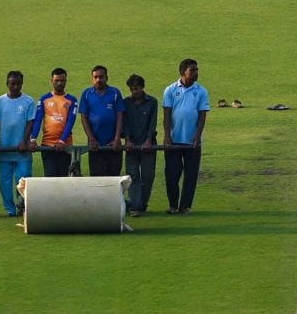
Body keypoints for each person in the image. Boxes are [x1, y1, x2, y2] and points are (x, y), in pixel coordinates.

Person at [161, 58, 209, 214]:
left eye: (196, 69)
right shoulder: (170, 90)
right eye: (192, 70)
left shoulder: (201, 91)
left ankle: (185, 206)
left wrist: (197, 136)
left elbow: (202, 116)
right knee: (172, 174)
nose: (196, 73)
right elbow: (167, 115)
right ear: (183, 72)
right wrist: (167, 136)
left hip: (192, 142)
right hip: (174, 141)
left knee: (191, 175)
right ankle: (173, 205)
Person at [0, 69, 39, 217]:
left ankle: (23, 207)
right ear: (7, 84)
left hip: (22, 150)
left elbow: (31, 123)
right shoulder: (0, 101)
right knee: (4, 182)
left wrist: (24, 142)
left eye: (18, 84)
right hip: (4, 148)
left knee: (23, 180)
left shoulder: (29, 101)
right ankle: (10, 210)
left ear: (22, 84)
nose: (15, 87)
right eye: (12, 84)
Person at [120, 73, 158, 217]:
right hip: (132, 146)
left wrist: (148, 140)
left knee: (148, 176)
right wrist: (127, 139)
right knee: (133, 176)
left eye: (136, 89)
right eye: (131, 89)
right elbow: (125, 123)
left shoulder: (152, 102)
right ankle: (136, 207)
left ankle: (142, 204)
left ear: (142, 88)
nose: (133, 92)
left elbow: (152, 122)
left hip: (148, 145)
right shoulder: (126, 102)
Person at [79, 65, 126, 178]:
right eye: (95, 77)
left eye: (101, 77)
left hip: (113, 145)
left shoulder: (115, 93)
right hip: (96, 145)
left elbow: (120, 116)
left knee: (114, 178)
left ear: (106, 77)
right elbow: (84, 118)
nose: (98, 80)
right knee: (97, 179)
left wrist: (117, 138)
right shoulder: (86, 94)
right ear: (92, 79)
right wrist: (91, 139)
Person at [36, 67, 79, 178]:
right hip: (47, 145)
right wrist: (32, 139)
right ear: (52, 81)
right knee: (49, 177)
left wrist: (62, 141)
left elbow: (70, 122)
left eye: (62, 81)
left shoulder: (72, 100)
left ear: (66, 81)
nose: (59, 83)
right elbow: (38, 120)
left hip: (65, 146)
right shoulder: (44, 99)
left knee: (63, 179)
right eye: (57, 81)